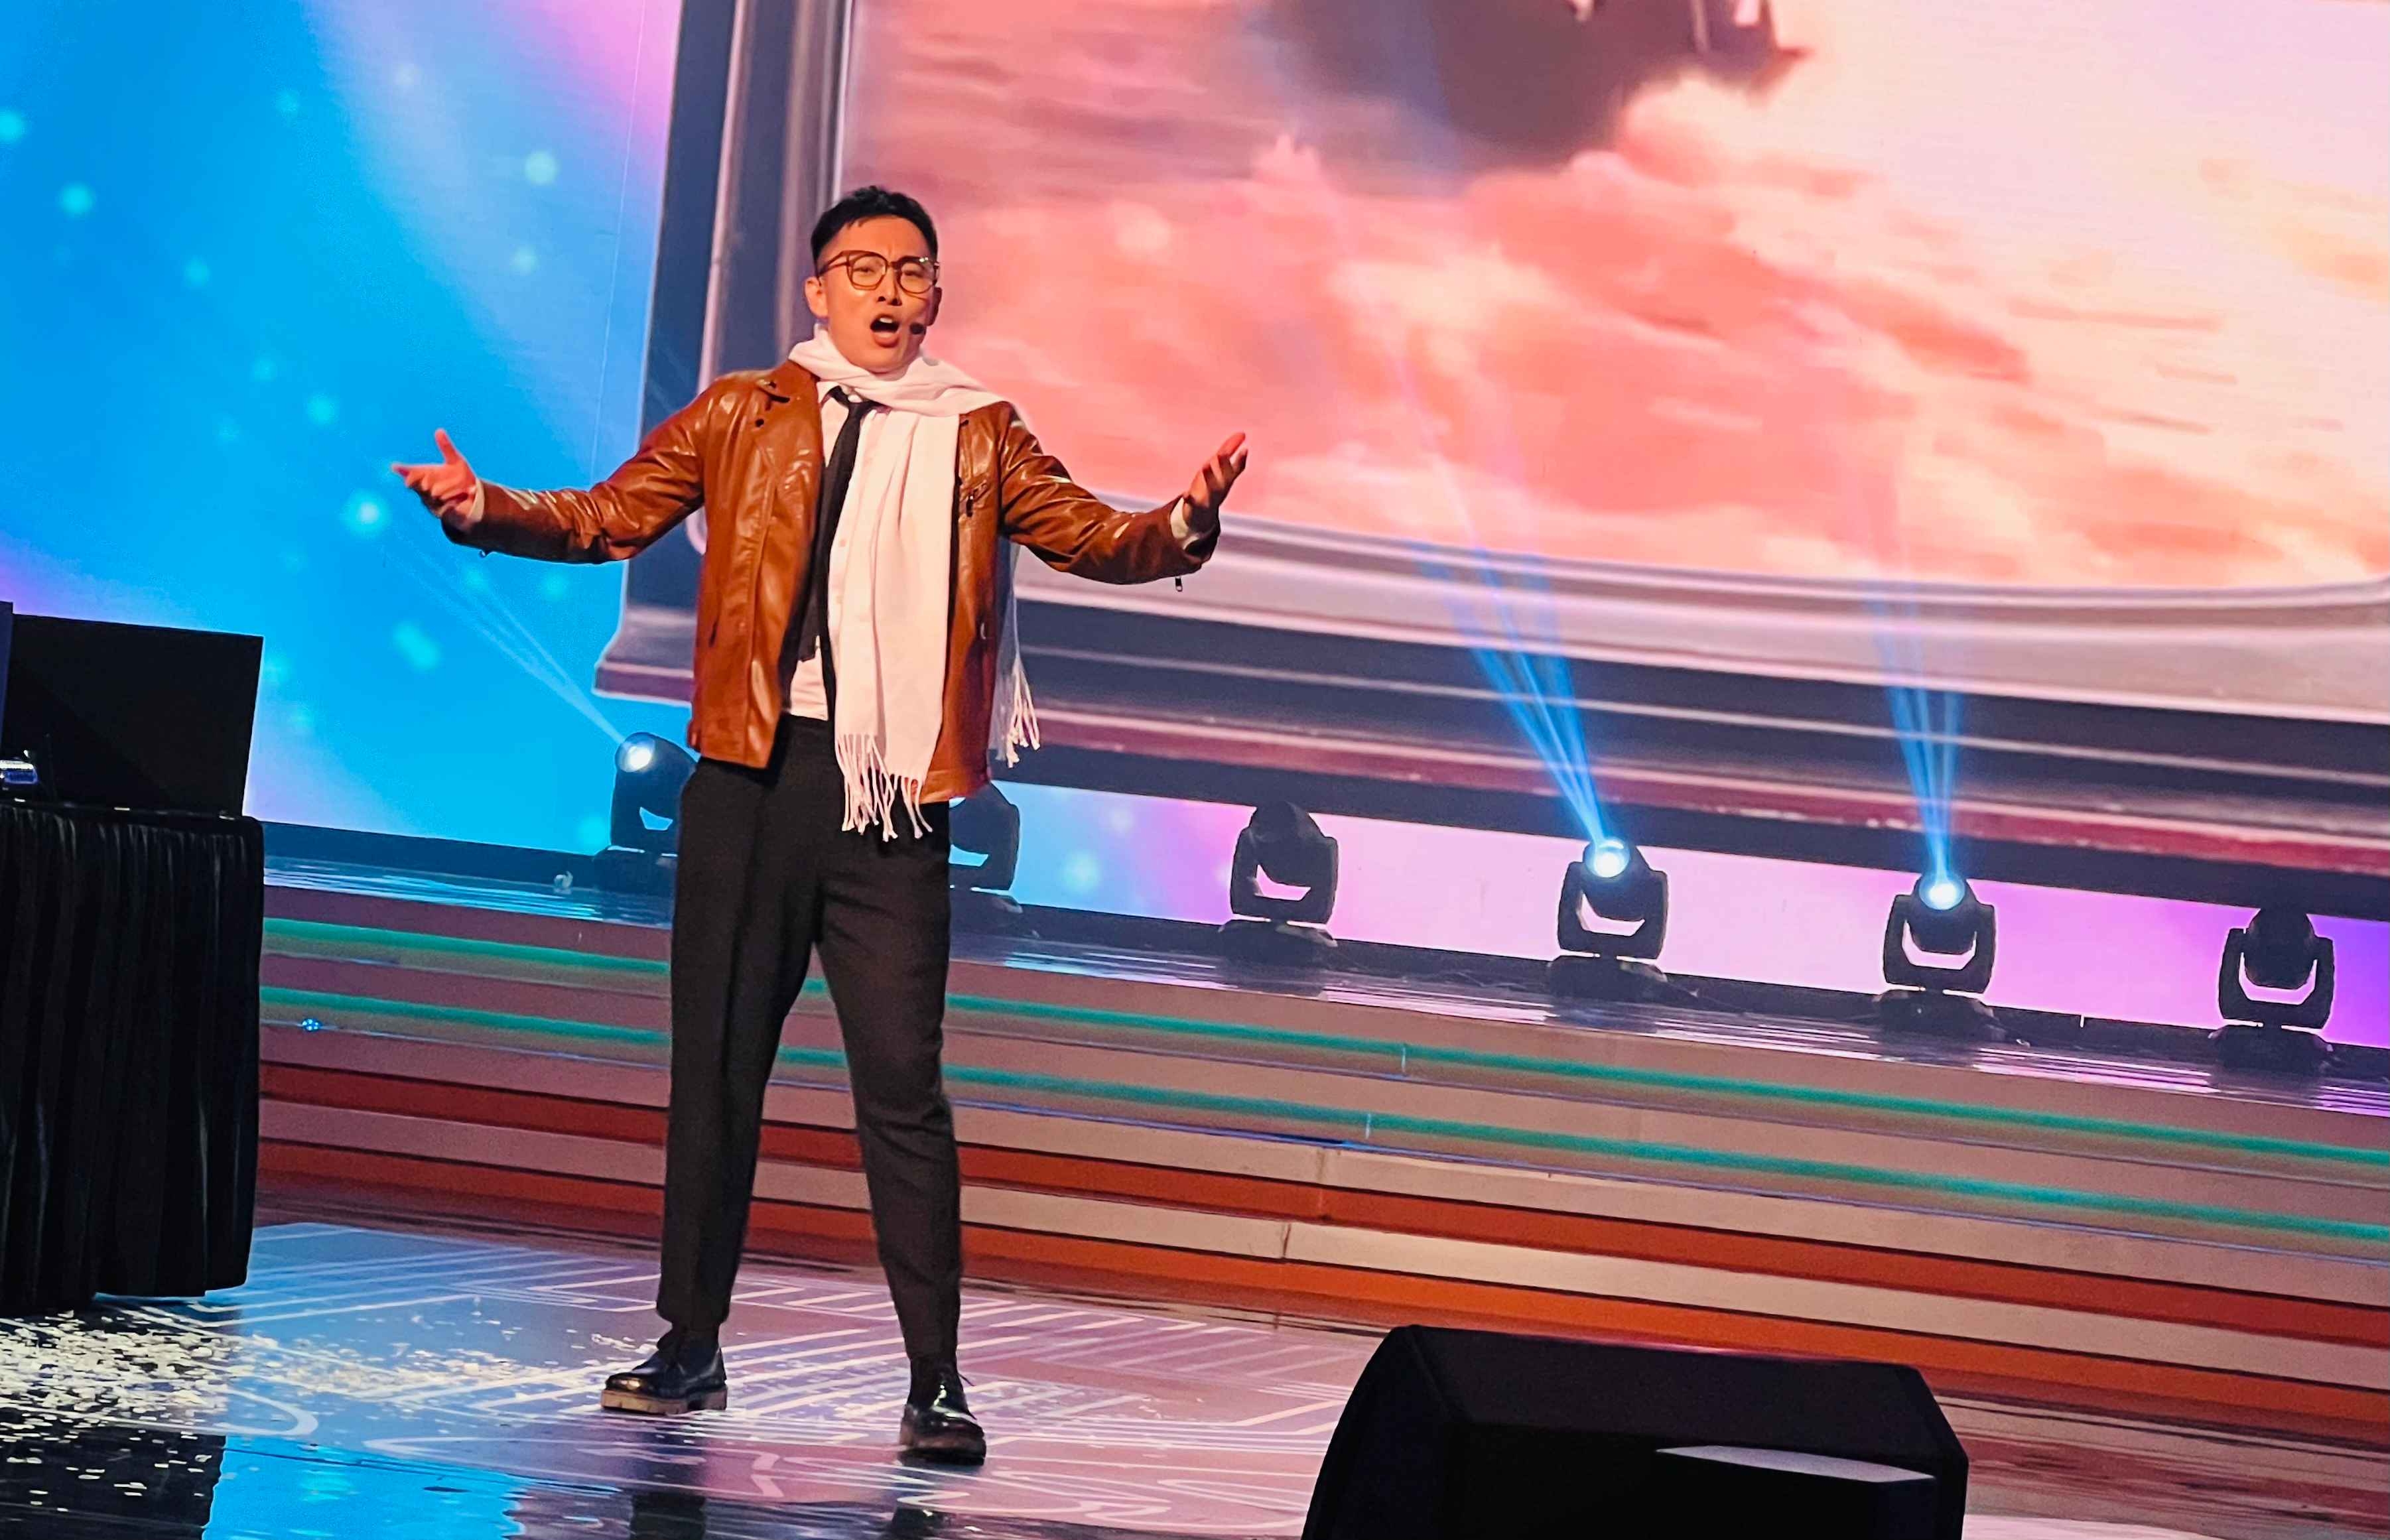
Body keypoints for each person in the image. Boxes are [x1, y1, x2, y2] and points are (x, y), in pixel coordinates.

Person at [393, 186, 1246, 1464]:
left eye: (913, 272)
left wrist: (1183, 522)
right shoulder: (744, 411)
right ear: (818, 289)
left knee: (903, 1089)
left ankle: (937, 1380)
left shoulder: (979, 432)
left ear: (937, 297)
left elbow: (1090, 536)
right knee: (716, 1072)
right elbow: (611, 515)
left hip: (889, 802)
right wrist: (485, 509)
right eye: (866, 269)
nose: (891, 292)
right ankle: (690, 1343)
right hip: (751, 782)